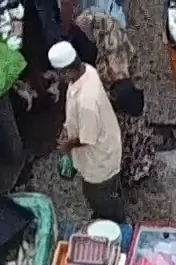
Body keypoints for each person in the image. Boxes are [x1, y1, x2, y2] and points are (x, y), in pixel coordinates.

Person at [52, 41, 125, 224]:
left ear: (67, 71)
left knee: (99, 196)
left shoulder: (87, 102)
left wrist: (66, 145)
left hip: (99, 160)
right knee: (109, 190)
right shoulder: (87, 71)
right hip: (105, 141)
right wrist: (67, 127)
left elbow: (87, 138)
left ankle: (113, 220)